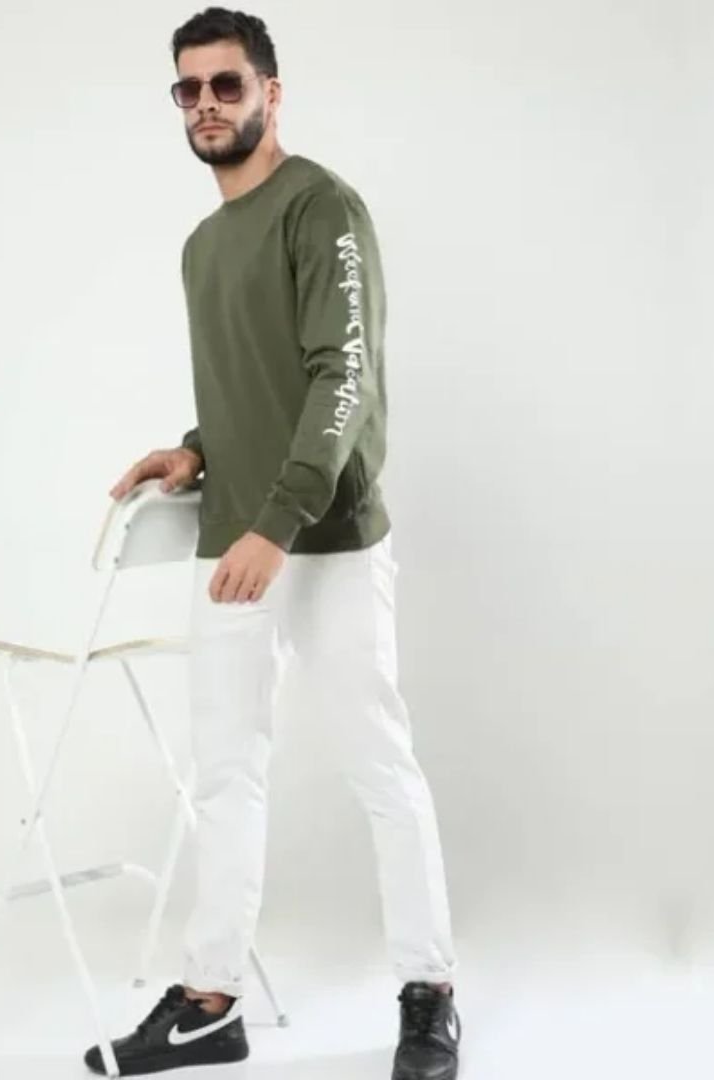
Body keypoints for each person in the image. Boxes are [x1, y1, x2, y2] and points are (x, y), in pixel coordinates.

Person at [86, 8, 460, 1078]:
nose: (207, 104)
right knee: (225, 775)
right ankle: (212, 1003)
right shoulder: (203, 247)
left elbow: (342, 377)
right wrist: (197, 450)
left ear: (271, 93)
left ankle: (430, 991)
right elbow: (258, 384)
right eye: (189, 89)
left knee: (378, 763)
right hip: (234, 541)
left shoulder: (321, 209)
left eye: (227, 84)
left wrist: (279, 519)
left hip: (323, 538)